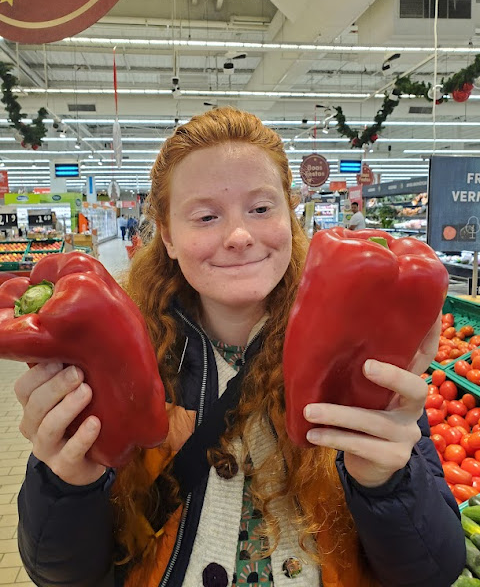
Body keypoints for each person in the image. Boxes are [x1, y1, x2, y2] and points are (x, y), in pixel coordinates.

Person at [14, 107, 465, 587]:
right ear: (167, 235)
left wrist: (386, 482)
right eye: (206, 216)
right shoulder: (109, 357)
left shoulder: (364, 349)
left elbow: (433, 572)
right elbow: (61, 574)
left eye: (261, 209)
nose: (239, 236)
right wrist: (65, 484)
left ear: (289, 216)